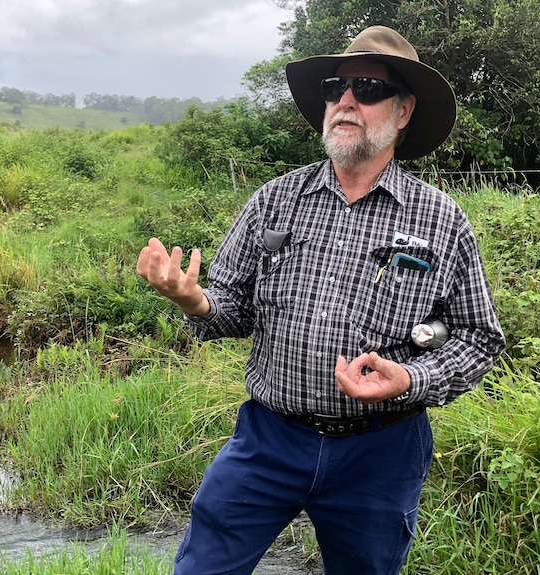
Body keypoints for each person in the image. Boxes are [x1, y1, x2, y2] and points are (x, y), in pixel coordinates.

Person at [137, 25, 505, 575]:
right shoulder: (277, 200)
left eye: (368, 89)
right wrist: (196, 302)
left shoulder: (441, 220)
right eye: (336, 87)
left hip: (381, 452)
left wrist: (410, 379)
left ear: (404, 112)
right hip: (268, 439)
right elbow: (233, 305)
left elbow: (479, 338)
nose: (346, 100)